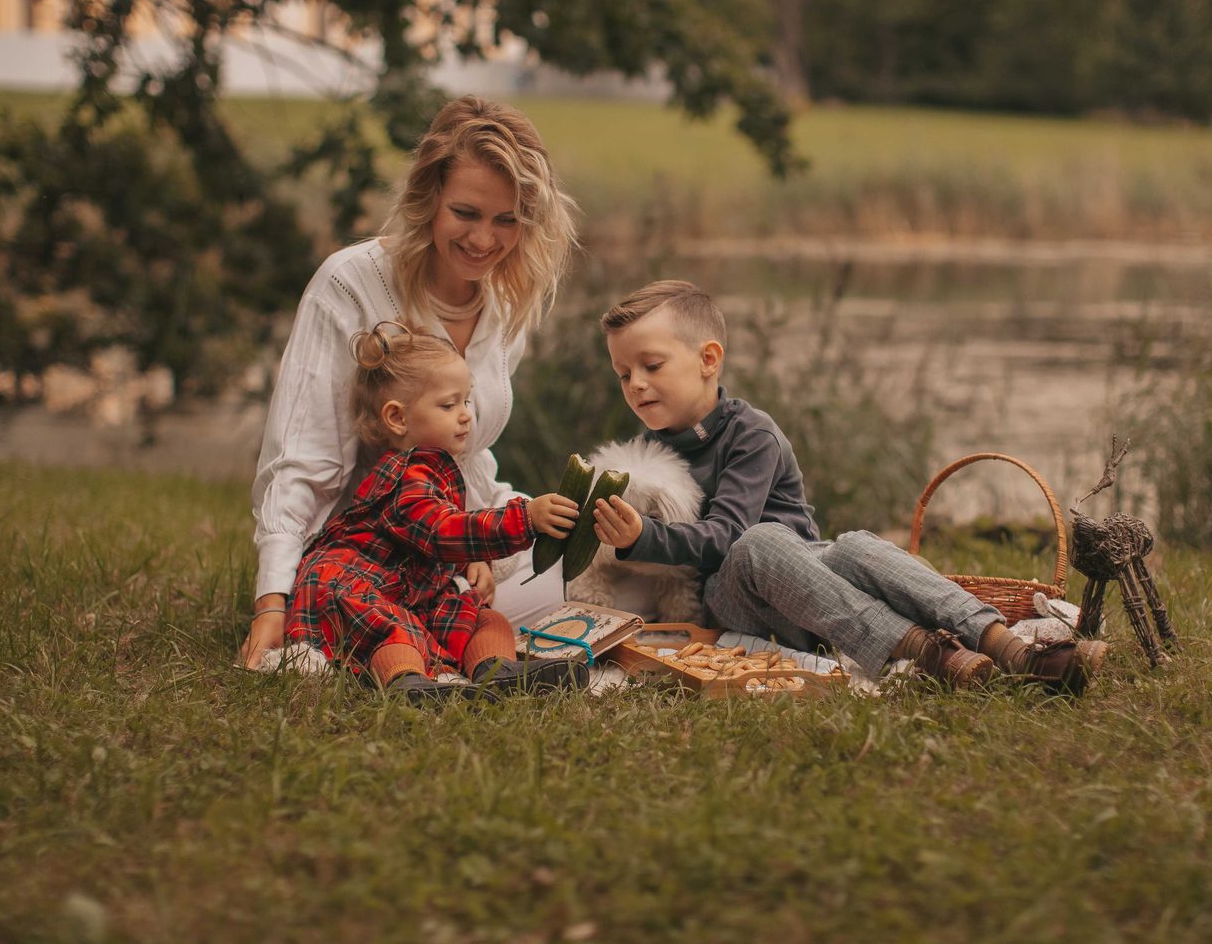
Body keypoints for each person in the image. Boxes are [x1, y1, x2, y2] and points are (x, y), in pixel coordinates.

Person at [588, 280, 1109, 693]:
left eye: (651, 366)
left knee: (856, 543)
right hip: (739, 601)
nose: (635, 383)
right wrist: (628, 538)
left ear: (708, 360)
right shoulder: (644, 458)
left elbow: (732, 531)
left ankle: (1011, 647)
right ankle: (931, 653)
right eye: (622, 373)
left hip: (816, 585)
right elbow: (727, 547)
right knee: (759, 544)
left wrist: (645, 537)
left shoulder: (751, 434)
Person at [241, 96, 579, 670]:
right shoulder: (350, 284)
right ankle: (400, 649)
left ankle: (488, 654)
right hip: (360, 560)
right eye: (466, 213)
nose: (484, 240)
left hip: (447, 547)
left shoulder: (502, 303)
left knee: (593, 562)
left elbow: (466, 456)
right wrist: (271, 603)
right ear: (428, 201)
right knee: (375, 601)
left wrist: (479, 542)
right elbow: (303, 463)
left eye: (507, 220)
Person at [283, 323, 587, 701]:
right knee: (395, 627)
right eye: (448, 405)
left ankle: (497, 670)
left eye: (467, 401)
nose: (465, 416)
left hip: (407, 588)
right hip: (352, 586)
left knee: (481, 617)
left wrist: (468, 563)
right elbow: (442, 531)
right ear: (397, 418)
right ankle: (407, 681)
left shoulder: (435, 471)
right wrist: (524, 517)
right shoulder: (405, 475)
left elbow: (429, 541)